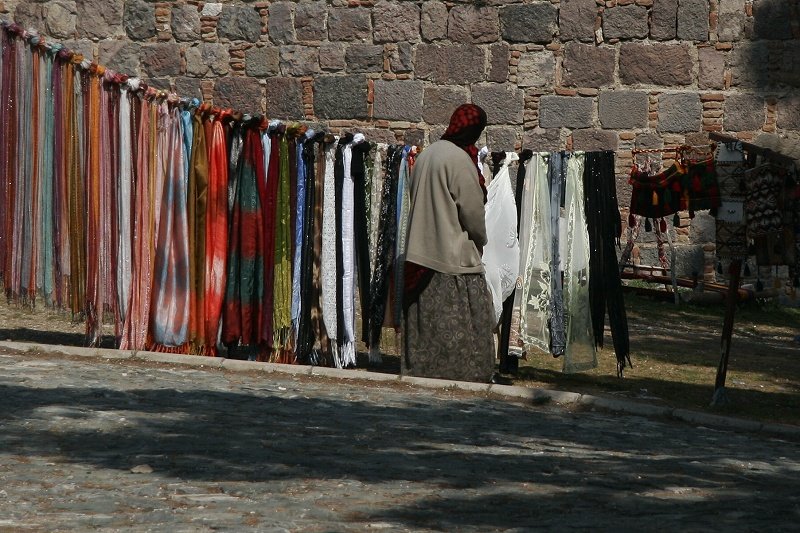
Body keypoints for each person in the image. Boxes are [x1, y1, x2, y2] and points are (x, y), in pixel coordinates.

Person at [402, 104, 496, 383]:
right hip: (451, 258)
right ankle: (464, 376)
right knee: (463, 327)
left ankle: (422, 372)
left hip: (419, 255)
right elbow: (472, 211)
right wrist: (481, 239)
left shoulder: (426, 155)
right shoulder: (459, 160)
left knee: (426, 324)